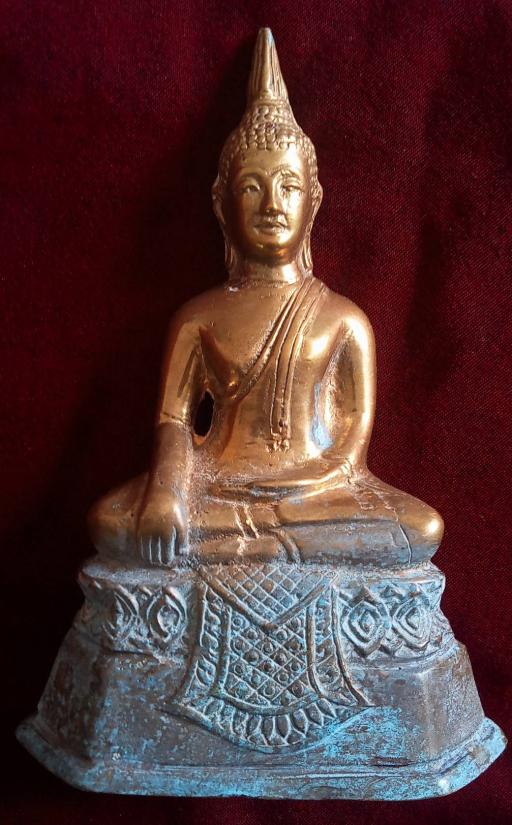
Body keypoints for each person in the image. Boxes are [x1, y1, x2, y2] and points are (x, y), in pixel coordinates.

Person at [89, 29, 443, 568]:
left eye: (288, 186)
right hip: (218, 486)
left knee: (420, 528)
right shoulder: (199, 317)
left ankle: (255, 543)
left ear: (313, 200)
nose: (271, 204)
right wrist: (165, 494)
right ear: (222, 204)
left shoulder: (344, 319)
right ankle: (273, 545)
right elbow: (174, 422)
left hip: (317, 494)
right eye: (252, 187)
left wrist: (308, 483)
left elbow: (351, 443)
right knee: (110, 521)